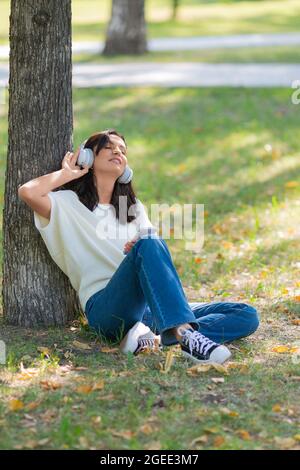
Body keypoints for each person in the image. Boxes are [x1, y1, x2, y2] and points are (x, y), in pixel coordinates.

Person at [18, 129, 259, 365]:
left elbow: (156, 258)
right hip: (107, 309)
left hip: (148, 308)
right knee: (148, 243)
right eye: (109, 147)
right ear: (88, 157)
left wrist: (140, 246)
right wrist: (67, 173)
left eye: (123, 150)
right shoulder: (66, 204)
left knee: (245, 315)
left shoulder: (133, 209)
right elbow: (28, 192)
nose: (118, 152)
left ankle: (160, 336)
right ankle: (183, 334)